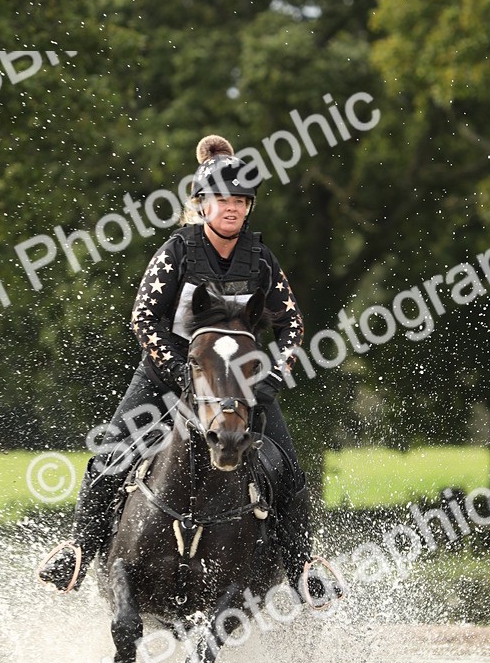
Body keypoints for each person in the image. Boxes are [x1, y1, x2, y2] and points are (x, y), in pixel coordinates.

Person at [39, 135, 325, 600]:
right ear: (202, 204)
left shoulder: (261, 260)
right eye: (222, 200)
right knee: (110, 456)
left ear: (248, 208)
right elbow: (143, 318)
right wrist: (177, 371)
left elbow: (291, 324)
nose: (231, 208)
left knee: (288, 469)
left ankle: (303, 568)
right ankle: (79, 551)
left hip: (237, 383)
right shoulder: (177, 252)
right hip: (166, 375)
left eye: (240, 201)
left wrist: (272, 375)